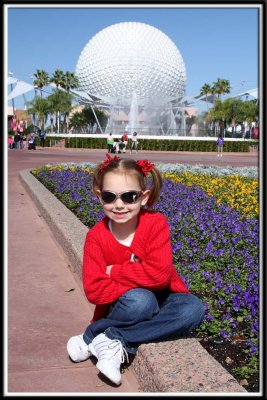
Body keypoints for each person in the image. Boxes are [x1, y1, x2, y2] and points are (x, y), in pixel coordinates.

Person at [67, 154, 205, 386]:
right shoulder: (96, 237)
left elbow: (161, 277)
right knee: (142, 300)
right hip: (124, 305)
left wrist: (115, 272)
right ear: (99, 196)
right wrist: (142, 273)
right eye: (110, 197)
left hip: (164, 297)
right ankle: (108, 337)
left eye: (129, 197)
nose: (119, 205)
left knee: (193, 309)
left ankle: (105, 336)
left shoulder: (156, 223)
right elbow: (94, 291)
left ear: (144, 197)